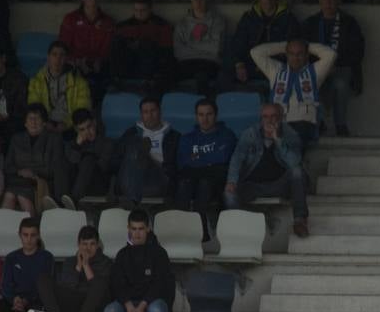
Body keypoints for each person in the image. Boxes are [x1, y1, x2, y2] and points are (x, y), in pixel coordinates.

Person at [225, 103, 308, 237]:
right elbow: (237, 158)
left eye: (273, 116)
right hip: (253, 185)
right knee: (229, 193)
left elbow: (294, 162)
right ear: (260, 118)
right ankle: (239, 233)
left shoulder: (290, 134)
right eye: (265, 117)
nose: (269, 120)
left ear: (281, 118)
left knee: (298, 172)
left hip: (280, 185)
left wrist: (277, 140)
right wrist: (232, 181)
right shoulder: (250, 133)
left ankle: (300, 220)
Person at [303, 0, 365, 137]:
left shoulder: (349, 23)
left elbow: (357, 52)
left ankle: (341, 125)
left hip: (341, 69)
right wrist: (321, 66)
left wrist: (334, 64)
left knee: (341, 84)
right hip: (317, 70)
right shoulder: (310, 24)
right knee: (308, 83)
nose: (328, 3)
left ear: (338, 0)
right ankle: (318, 123)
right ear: (319, 1)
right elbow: (301, 51)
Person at [250, 38, 336, 145]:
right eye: (291, 53)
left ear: (306, 55)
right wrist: (285, 45)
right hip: (279, 123)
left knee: (289, 141)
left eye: (300, 54)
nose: (295, 58)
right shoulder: (276, 70)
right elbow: (256, 52)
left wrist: (306, 44)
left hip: (304, 124)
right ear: (286, 54)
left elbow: (330, 54)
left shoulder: (315, 71)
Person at [104, 209, 174, 312]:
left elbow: (160, 285)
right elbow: (117, 284)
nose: (137, 233)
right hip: (128, 303)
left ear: (147, 229)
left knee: (155, 311)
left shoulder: (159, 253)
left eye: (141, 229)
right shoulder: (122, 254)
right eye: (134, 229)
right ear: (128, 229)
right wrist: (128, 305)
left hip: (153, 302)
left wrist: (142, 306)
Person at [174, 98, 237, 233]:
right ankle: (180, 230)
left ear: (216, 115)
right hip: (192, 179)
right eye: (201, 115)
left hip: (216, 180)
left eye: (209, 114)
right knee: (184, 182)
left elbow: (222, 157)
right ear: (196, 116)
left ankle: (201, 232)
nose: (205, 119)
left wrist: (196, 158)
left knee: (205, 182)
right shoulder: (187, 138)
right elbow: (183, 162)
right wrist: (208, 160)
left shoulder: (227, 135)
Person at [228, 0, 300, 89]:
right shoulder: (249, 17)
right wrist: (239, 64)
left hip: (277, 65)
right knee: (225, 76)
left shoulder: (288, 18)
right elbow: (238, 43)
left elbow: (293, 46)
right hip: (251, 65)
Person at [38, 224, 111, 312]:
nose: (88, 248)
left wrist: (86, 265)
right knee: (43, 278)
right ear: (78, 244)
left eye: (92, 244)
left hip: (88, 302)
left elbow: (99, 288)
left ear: (97, 245)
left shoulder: (105, 262)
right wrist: (78, 266)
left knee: (100, 285)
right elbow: (67, 284)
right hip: (70, 297)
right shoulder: (70, 261)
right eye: (84, 244)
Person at [114, 95, 178, 210]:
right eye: (145, 112)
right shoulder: (131, 133)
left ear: (160, 112)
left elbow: (177, 166)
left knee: (138, 151)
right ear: (141, 114)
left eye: (153, 111)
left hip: (159, 179)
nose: (150, 115)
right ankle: (141, 155)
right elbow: (116, 160)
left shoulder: (174, 136)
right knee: (134, 150)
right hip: (133, 179)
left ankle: (131, 199)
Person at [3, 103, 69, 214]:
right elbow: (8, 167)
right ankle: (3, 230)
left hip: (41, 183)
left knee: (21, 196)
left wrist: (33, 173)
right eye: (30, 118)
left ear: (44, 122)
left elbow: (55, 168)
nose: (33, 122)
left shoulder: (54, 139)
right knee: (9, 195)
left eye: (37, 118)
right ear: (25, 123)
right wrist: (20, 171)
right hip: (19, 181)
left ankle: (31, 226)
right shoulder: (16, 139)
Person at [58, 0, 115, 97]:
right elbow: (62, 47)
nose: (92, 0)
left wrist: (97, 62)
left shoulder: (108, 22)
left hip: (98, 67)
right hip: (75, 65)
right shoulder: (70, 19)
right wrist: (77, 62)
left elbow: (108, 50)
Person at [110, 0, 173, 94]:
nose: (139, 13)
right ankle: (116, 81)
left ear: (150, 8)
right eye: (136, 10)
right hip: (128, 66)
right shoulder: (123, 26)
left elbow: (167, 53)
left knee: (147, 45)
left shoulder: (161, 26)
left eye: (142, 10)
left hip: (151, 68)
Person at [173, 0, 228, 96]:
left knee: (202, 77)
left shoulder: (218, 21)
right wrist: (204, 46)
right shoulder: (182, 23)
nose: (198, 2)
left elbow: (216, 48)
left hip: (209, 63)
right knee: (166, 75)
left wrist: (189, 43)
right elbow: (178, 52)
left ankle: (205, 109)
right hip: (186, 63)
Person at [0, 217, 53, 312]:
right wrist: (14, 299)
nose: (29, 239)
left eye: (33, 235)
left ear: (38, 235)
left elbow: (47, 287)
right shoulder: (11, 258)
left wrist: (26, 300)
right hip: (13, 302)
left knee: (39, 309)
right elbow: (5, 284)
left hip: (36, 302)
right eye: (25, 235)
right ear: (20, 235)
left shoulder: (47, 257)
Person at [26, 40, 91, 133]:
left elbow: (82, 107)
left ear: (66, 58)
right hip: (44, 125)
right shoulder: (36, 82)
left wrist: (67, 123)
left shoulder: (80, 83)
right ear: (48, 57)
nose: (58, 59)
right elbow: (34, 106)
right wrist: (45, 122)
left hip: (71, 126)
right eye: (54, 54)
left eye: (62, 55)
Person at [64, 109, 116, 208]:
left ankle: (72, 201)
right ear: (76, 130)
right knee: (62, 164)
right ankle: (62, 200)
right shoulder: (73, 145)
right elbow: (70, 166)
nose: (87, 132)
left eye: (89, 126)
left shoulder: (107, 143)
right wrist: (78, 146)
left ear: (95, 123)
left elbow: (103, 167)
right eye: (82, 130)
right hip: (76, 184)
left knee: (88, 160)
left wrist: (87, 159)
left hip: (97, 184)